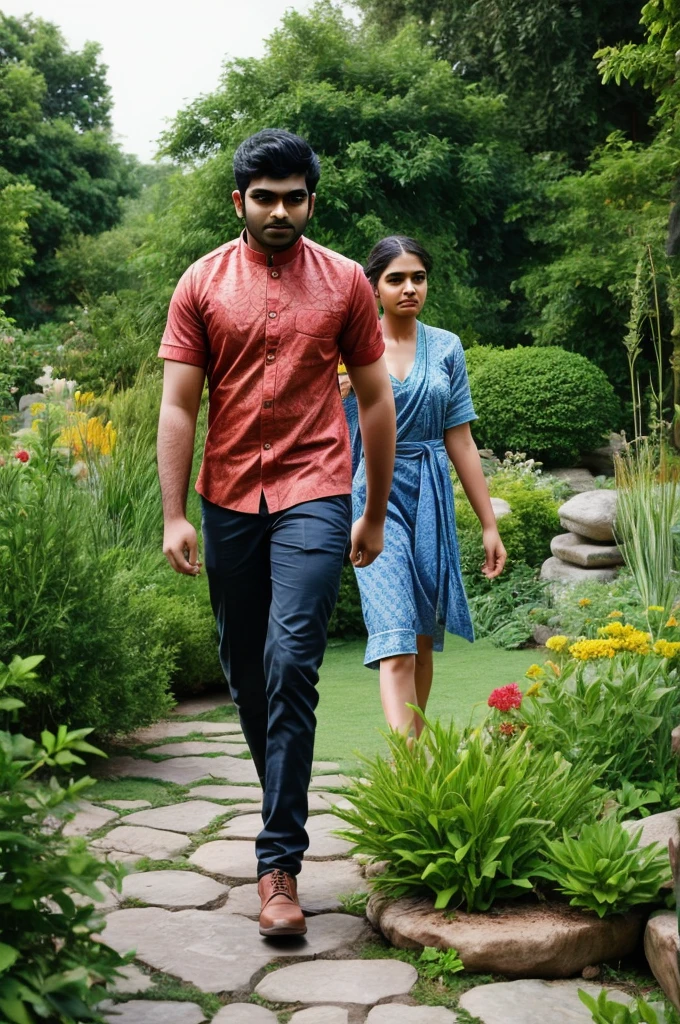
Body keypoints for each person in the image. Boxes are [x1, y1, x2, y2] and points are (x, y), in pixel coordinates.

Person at [156, 129, 396, 937]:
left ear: (311, 201)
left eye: (295, 196)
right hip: (227, 494)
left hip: (315, 489)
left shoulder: (345, 285)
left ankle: (278, 865)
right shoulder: (200, 284)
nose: (281, 211)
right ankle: (280, 809)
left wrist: (370, 510)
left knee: (292, 657)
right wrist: (173, 513)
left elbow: (373, 400)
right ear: (239, 202)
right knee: (247, 669)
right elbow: (180, 404)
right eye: (266, 197)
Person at [343, 235, 506, 737]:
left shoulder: (447, 347)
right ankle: (410, 769)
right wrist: (335, 392)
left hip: (430, 495)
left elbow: (459, 439)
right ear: (374, 287)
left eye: (418, 277)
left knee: (419, 640)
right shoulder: (348, 345)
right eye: (396, 279)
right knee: (394, 639)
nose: (409, 288)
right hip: (373, 496)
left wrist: (488, 524)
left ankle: (410, 764)